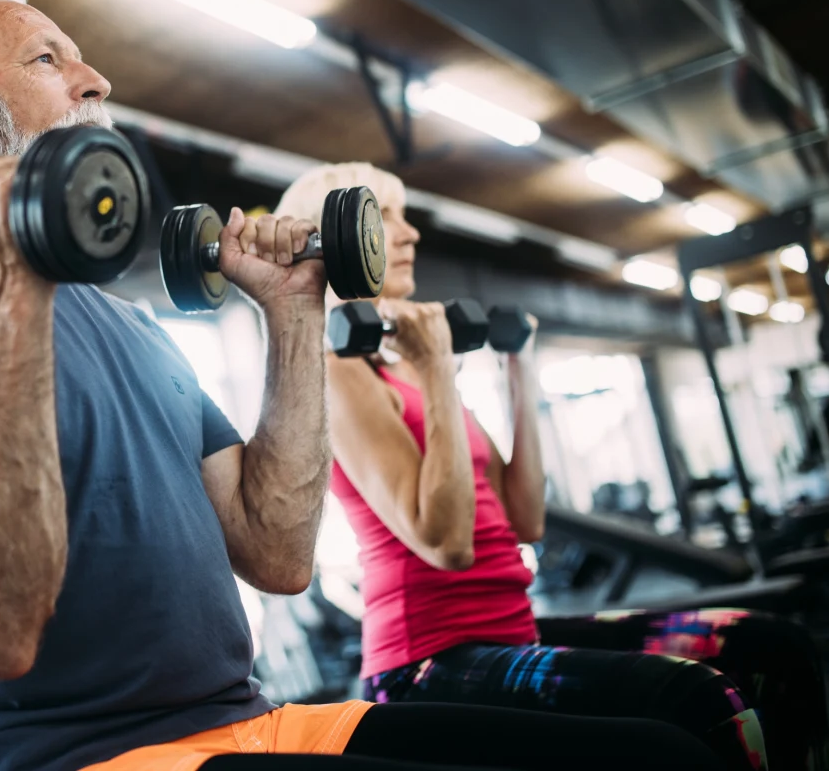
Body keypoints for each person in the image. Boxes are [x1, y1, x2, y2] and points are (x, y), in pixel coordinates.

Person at [0, 0, 723, 771]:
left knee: (661, 754)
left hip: (248, 723)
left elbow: (278, 552)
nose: (96, 80)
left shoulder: (133, 326)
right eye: (48, 58)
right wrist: (13, 278)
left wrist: (292, 313)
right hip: (77, 758)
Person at [276, 162, 829, 771]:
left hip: (511, 627)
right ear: (333, 237)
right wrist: (437, 372)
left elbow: (525, 518)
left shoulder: (416, 360)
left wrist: (520, 369)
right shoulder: (340, 374)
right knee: (700, 698)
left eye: (405, 217)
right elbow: (446, 544)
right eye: (384, 218)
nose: (409, 234)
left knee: (772, 647)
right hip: (424, 663)